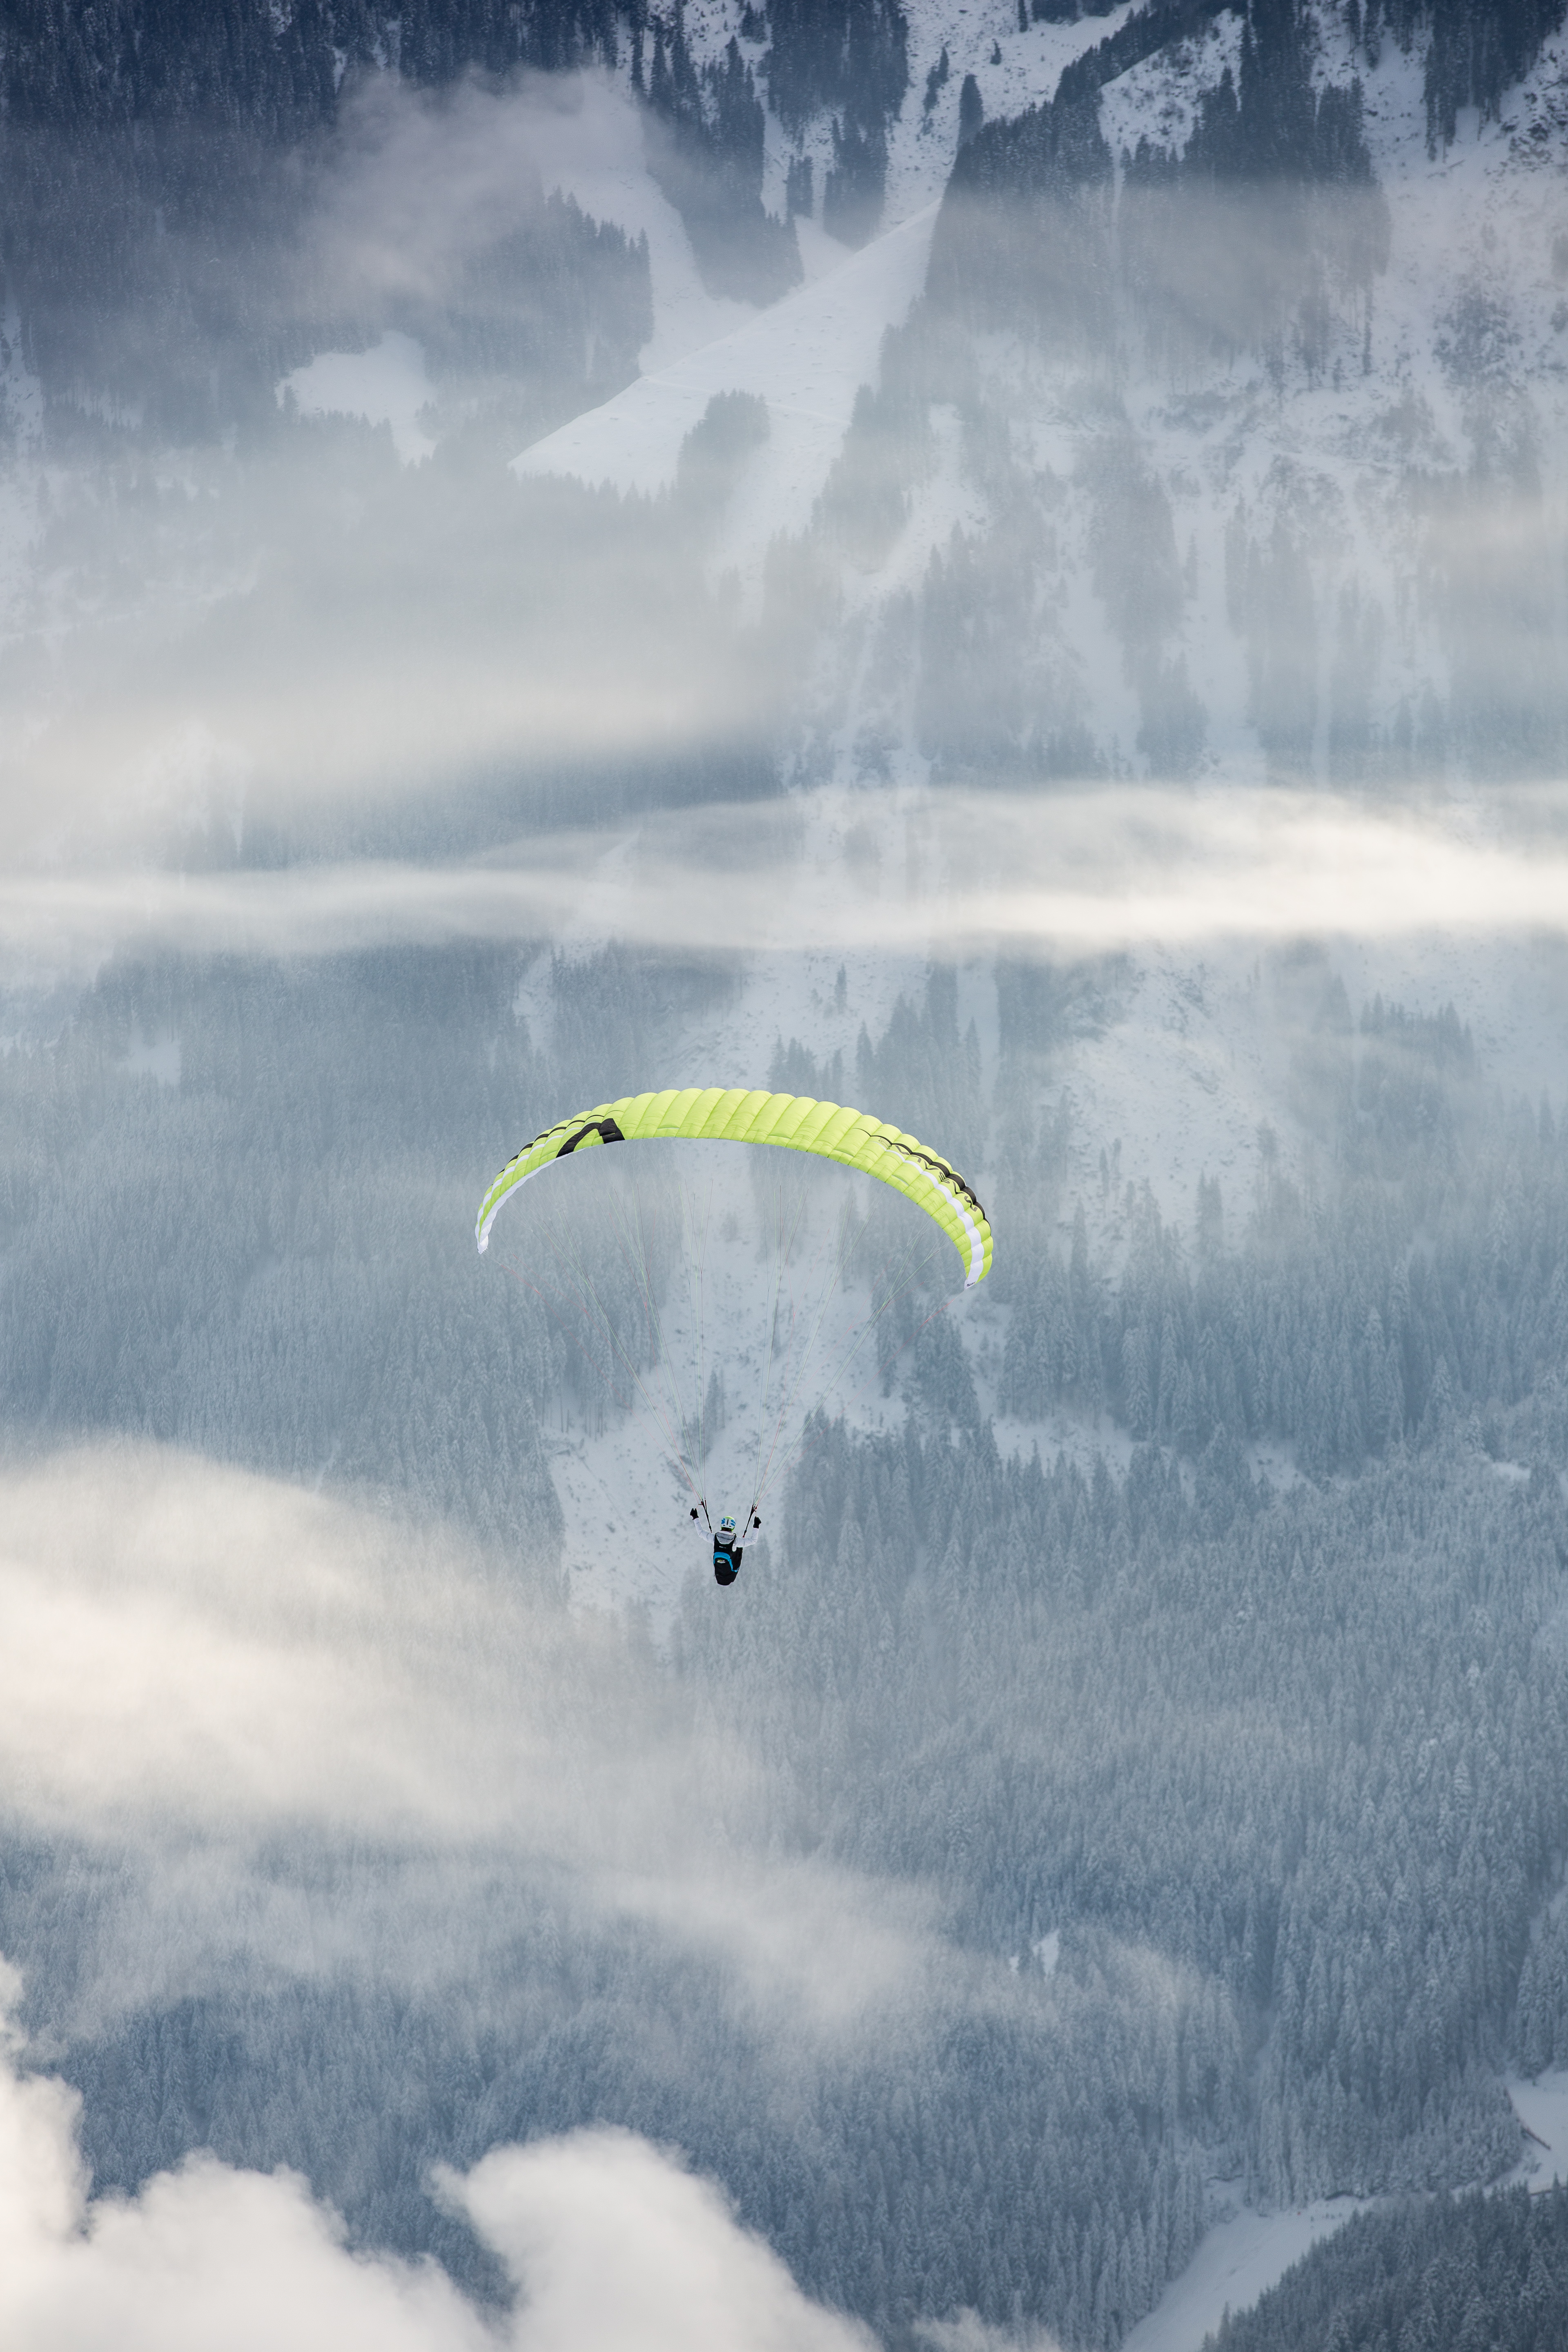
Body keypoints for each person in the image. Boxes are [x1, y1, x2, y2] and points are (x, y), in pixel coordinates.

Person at [690, 1506, 761, 1586]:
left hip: (720, 1575)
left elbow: (700, 1533)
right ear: (733, 1527)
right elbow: (753, 1540)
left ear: (722, 1526)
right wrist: (756, 1526)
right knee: (739, 1550)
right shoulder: (736, 1541)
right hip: (729, 1575)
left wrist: (695, 1517)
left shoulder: (714, 1538)